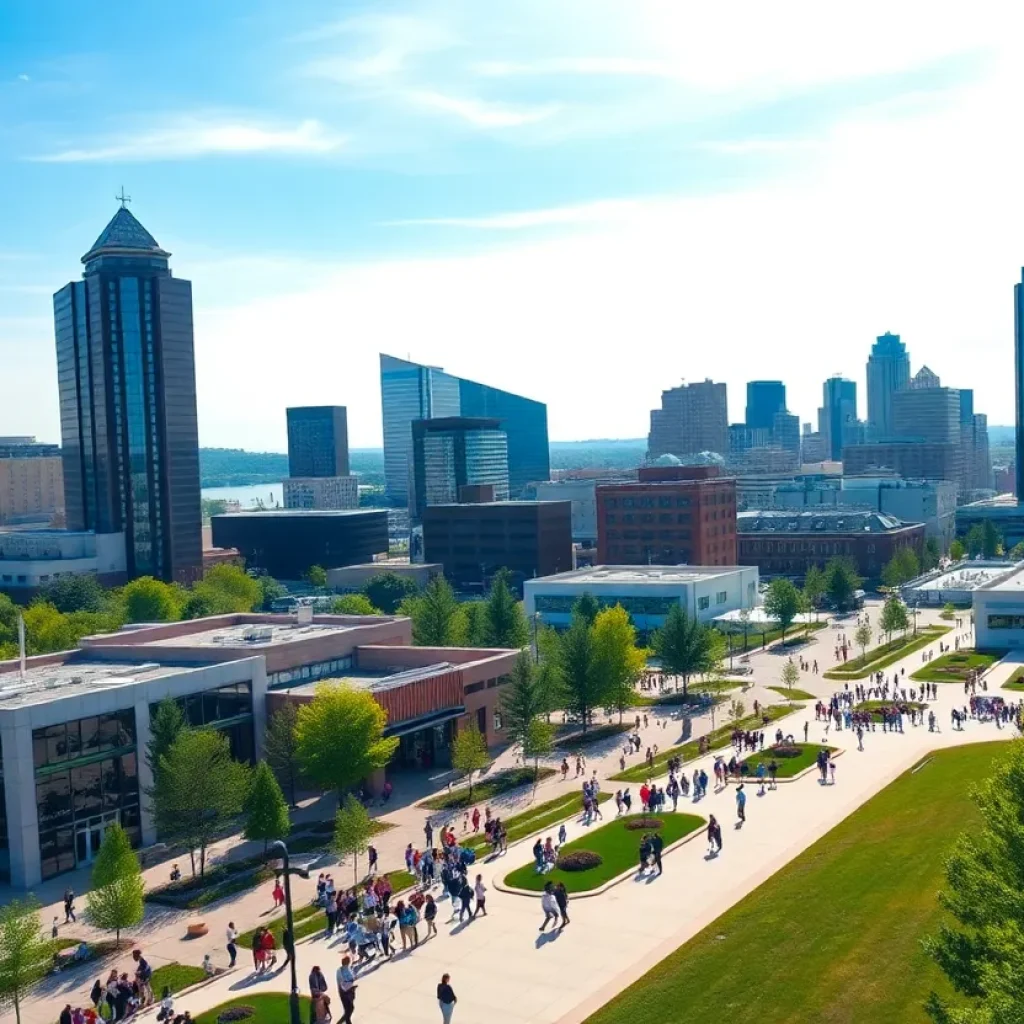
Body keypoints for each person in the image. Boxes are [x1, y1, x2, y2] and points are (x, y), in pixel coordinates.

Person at [336, 955, 357, 1024]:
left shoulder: (345, 969)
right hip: (345, 992)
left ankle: (346, 1019)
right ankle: (347, 1021)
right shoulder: (342, 971)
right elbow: (344, 981)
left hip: (347, 991)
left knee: (348, 1008)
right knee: (350, 1008)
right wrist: (351, 981)